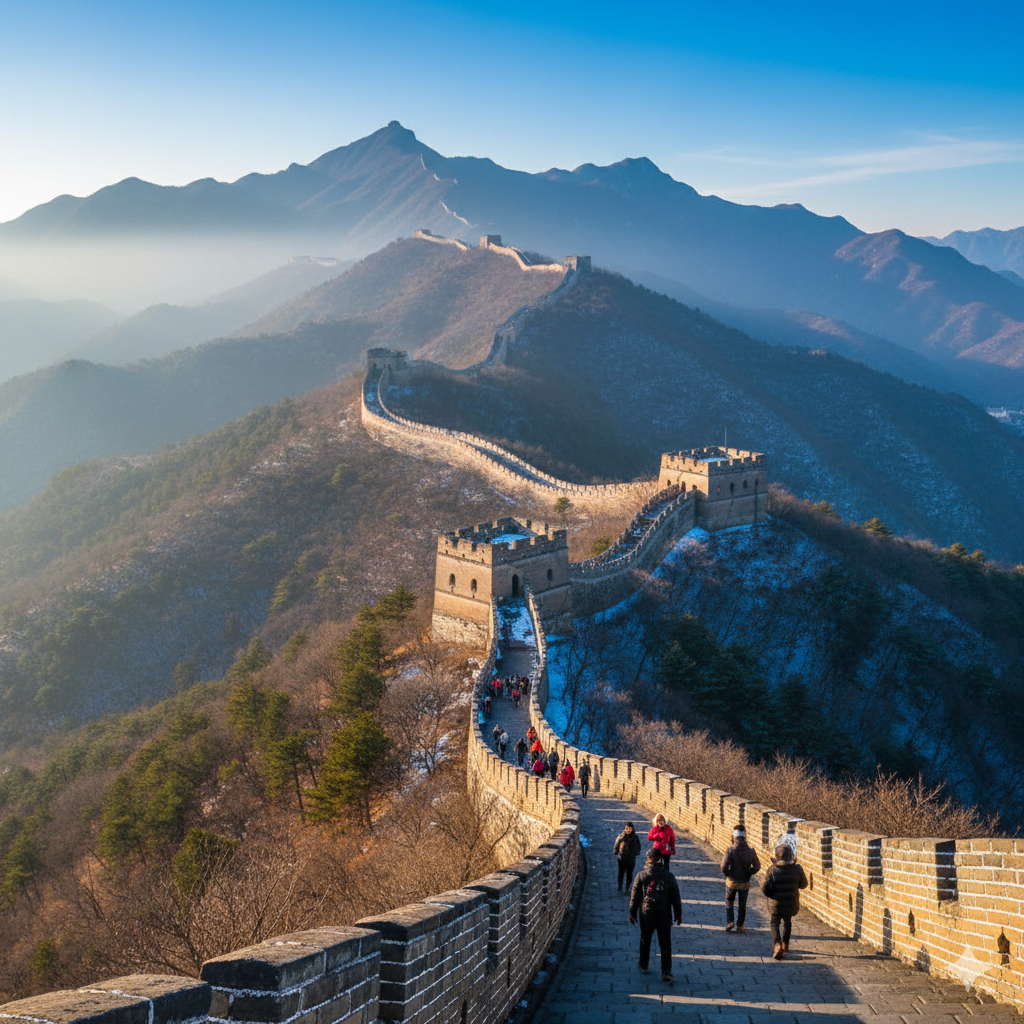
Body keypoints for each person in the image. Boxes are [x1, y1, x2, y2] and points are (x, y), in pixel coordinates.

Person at [629, 850, 682, 984]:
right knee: (665, 943)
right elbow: (675, 897)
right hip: (664, 914)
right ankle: (666, 971)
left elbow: (635, 896)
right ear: (660, 860)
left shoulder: (641, 875)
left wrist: (632, 912)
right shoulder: (668, 876)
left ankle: (643, 965)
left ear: (648, 859)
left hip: (646, 913)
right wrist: (678, 914)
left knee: (645, 940)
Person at [761, 841, 808, 960]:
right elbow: (804, 885)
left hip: (776, 903)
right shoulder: (797, 869)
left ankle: (777, 944)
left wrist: (771, 895)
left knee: (774, 922)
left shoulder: (772, 870)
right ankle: (785, 944)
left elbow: (765, 888)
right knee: (787, 921)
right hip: (791, 902)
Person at [721, 827, 761, 933]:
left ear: (734, 837)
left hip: (731, 882)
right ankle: (740, 925)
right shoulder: (751, 852)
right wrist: (749, 872)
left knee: (729, 902)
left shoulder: (730, 851)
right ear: (745, 837)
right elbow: (757, 866)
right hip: (744, 882)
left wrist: (729, 875)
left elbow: (723, 867)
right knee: (742, 904)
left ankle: (730, 922)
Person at [614, 821, 642, 894]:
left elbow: (638, 847)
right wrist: (616, 852)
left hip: (631, 859)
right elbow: (616, 844)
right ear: (624, 829)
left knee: (629, 873)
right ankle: (620, 886)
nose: (628, 830)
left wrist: (636, 853)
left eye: (629, 828)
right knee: (621, 872)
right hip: (622, 858)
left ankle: (627, 888)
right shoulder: (621, 836)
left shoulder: (635, 837)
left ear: (632, 829)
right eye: (626, 828)